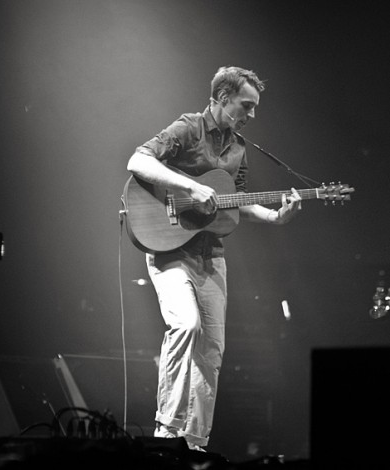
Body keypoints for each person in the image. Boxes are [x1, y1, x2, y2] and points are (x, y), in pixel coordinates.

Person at [125, 66, 303, 452]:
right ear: (223, 99)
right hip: (169, 249)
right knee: (186, 326)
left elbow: (234, 202)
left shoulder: (238, 148)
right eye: (246, 105)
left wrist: (275, 216)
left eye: (254, 107)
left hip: (210, 255)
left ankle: (195, 443)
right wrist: (190, 185)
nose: (252, 115)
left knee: (213, 350)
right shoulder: (189, 128)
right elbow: (138, 161)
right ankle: (167, 432)